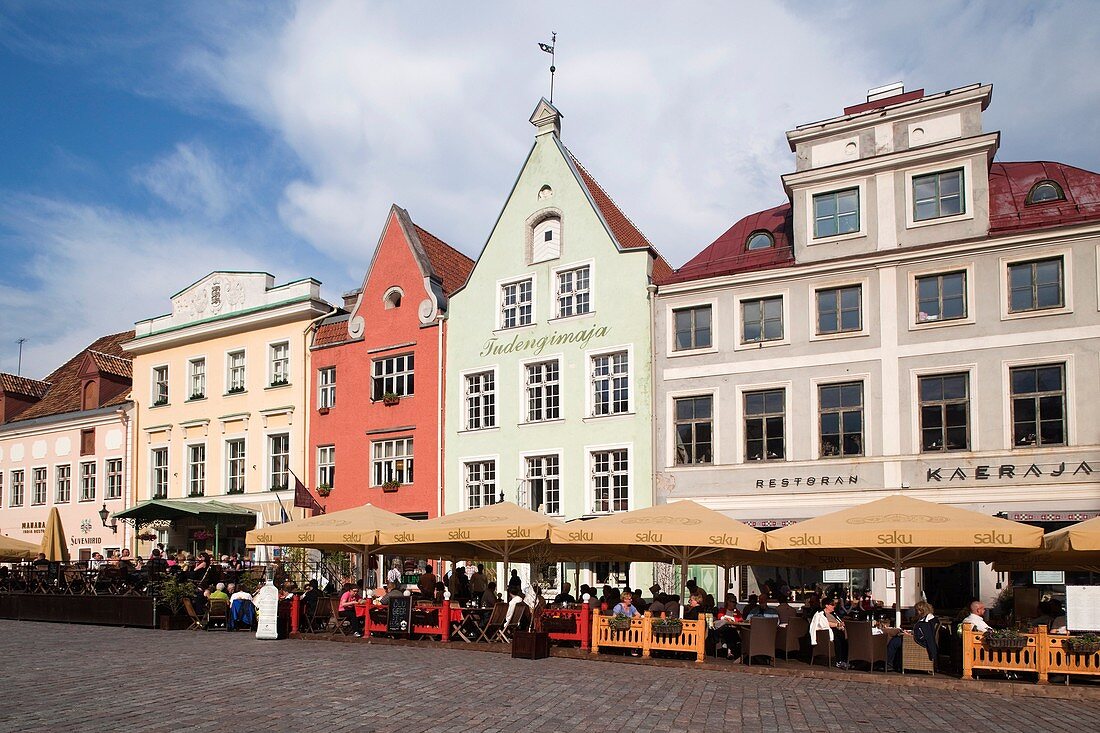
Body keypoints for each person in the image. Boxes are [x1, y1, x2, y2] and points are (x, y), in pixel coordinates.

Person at [888, 600, 937, 672]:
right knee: (896, 640)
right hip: (915, 638)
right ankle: (895, 664)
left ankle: (889, 664)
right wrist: (911, 632)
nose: (917, 612)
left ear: (922, 610)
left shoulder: (927, 621)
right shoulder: (927, 619)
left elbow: (924, 635)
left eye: (918, 610)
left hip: (917, 642)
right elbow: (922, 632)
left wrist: (909, 635)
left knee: (894, 642)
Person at [810, 598, 849, 669]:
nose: (834, 606)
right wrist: (838, 625)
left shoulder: (833, 614)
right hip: (826, 634)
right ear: (826, 605)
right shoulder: (820, 614)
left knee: (846, 638)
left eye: (835, 604)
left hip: (836, 631)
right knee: (839, 638)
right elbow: (824, 624)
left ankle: (846, 660)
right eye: (832, 605)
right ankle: (839, 661)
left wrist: (840, 625)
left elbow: (838, 622)